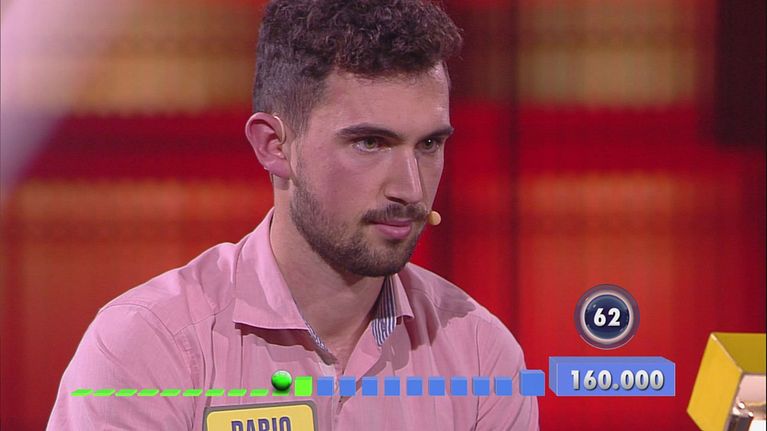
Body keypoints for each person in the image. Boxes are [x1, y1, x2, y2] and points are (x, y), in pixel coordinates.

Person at [48, 0, 539, 429]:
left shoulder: (480, 352)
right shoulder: (150, 346)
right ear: (273, 145)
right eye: (370, 143)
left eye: (429, 144)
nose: (411, 189)